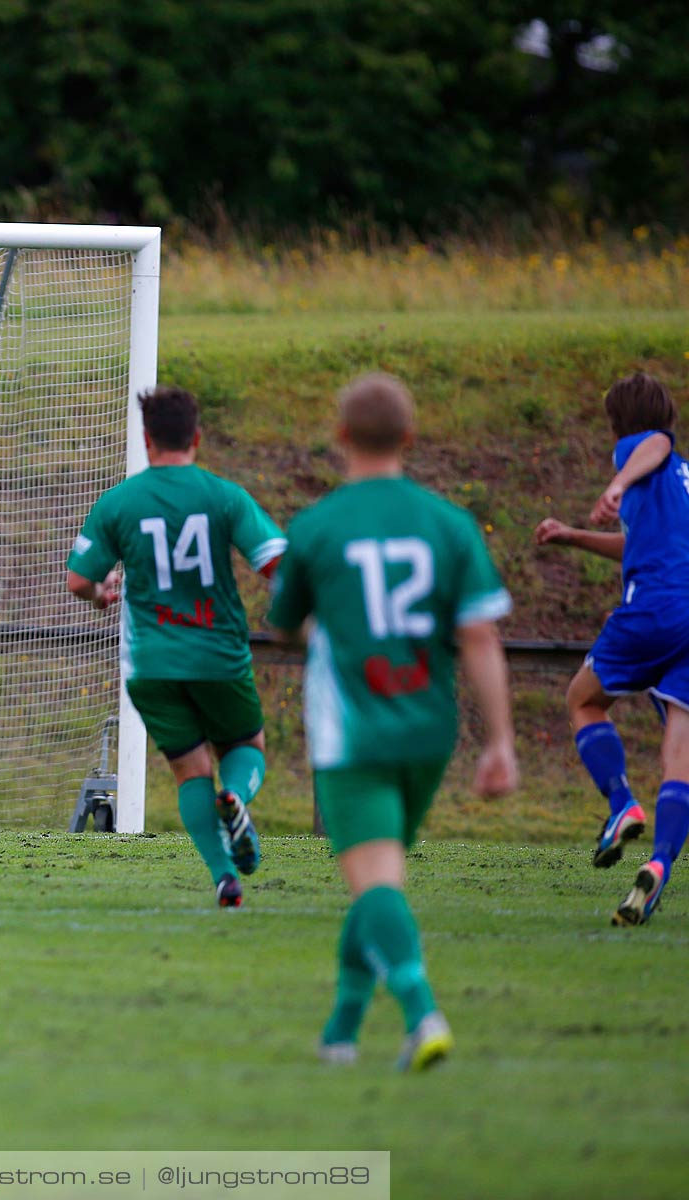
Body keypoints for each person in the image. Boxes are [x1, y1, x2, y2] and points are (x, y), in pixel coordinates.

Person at [267, 373, 517, 1072]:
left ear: (340, 436)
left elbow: (284, 627)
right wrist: (499, 742)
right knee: (378, 883)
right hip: (429, 731)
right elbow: (479, 638)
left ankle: (422, 1012)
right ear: (409, 439)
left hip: (356, 731)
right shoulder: (450, 525)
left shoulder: (317, 527)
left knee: (375, 884)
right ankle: (341, 1033)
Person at [66, 386, 284, 907]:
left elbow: (78, 580)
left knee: (189, 770)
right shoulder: (224, 496)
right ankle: (235, 797)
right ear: (197, 436)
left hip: (153, 664)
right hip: (219, 655)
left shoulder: (120, 502)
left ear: (146, 439)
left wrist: (102, 594)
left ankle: (223, 876)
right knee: (245, 748)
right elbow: (278, 564)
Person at [534, 372, 689, 926]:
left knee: (583, 699)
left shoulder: (645, 447)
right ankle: (660, 864)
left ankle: (621, 802)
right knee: (681, 754)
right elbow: (641, 543)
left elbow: (657, 442)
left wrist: (618, 482)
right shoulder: (682, 481)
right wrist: (573, 534)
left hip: (655, 607)